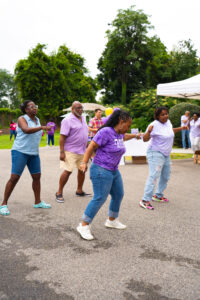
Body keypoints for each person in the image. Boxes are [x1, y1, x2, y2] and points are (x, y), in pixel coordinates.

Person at [76, 109, 142, 240]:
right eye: (127, 125)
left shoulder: (119, 134)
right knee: (100, 197)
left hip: (113, 170)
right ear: (121, 122)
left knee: (118, 194)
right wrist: (84, 162)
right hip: (101, 169)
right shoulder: (106, 132)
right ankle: (83, 225)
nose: (128, 128)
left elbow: (125, 136)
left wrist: (135, 135)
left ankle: (111, 220)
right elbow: (91, 146)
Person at [0, 100, 52, 216]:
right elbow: (26, 130)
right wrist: (42, 127)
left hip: (33, 153)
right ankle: (3, 204)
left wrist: (41, 129)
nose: (34, 108)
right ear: (26, 110)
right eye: (31, 107)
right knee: (14, 177)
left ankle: (37, 202)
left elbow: (35, 133)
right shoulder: (22, 119)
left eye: (35, 106)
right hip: (20, 151)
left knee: (37, 176)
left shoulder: (37, 119)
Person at [139, 106, 188, 210]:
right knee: (153, 176)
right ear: (157, 116)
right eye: (162, 114)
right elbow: (145, 139)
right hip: (155, 152)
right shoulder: (153, 125)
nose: (165, 116)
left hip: (166, 154)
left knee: (165, 176)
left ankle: (158, 195)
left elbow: (170, 131)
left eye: (166, 114)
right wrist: (148, 131)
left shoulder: (168, 122)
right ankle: (145, 200)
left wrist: (181, 128)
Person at [55, 101, 91, 203]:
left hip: (82, 150)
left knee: (82, 170)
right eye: (77, 108)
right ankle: (59, 192)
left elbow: (84, 133)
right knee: (68, 171)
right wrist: (61, 152)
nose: (80, 110)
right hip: (70, 150)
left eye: (81, 108)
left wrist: (88, 145)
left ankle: (79, 190)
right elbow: (62, 137)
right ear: (72, 109)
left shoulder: (83, 118)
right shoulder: (67, 120)